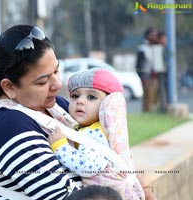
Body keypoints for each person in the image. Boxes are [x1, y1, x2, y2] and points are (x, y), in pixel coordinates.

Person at [0, 24, 98, 200]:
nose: (57, 84)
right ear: (9, 87)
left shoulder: (57, 106)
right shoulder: (7, 127)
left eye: (56, 71)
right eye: (42, 82)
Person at [48, 68, 151, 200]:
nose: (80, 101)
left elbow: (87, 166)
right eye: (75, 96)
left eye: (91, 97)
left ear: (107, 106)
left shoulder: (95, 133)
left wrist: (60, 146)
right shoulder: (89, 128)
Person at [136, 27, 159, 112]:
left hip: (156, 76)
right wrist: (142, 77)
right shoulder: (142, 48)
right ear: (147, 36)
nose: (154, 37)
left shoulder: (156, 47)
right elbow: (139, 65)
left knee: (155, 97)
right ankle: (147, 112)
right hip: (146, 77)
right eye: (152, 35)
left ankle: (154, 111)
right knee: (147, 97)